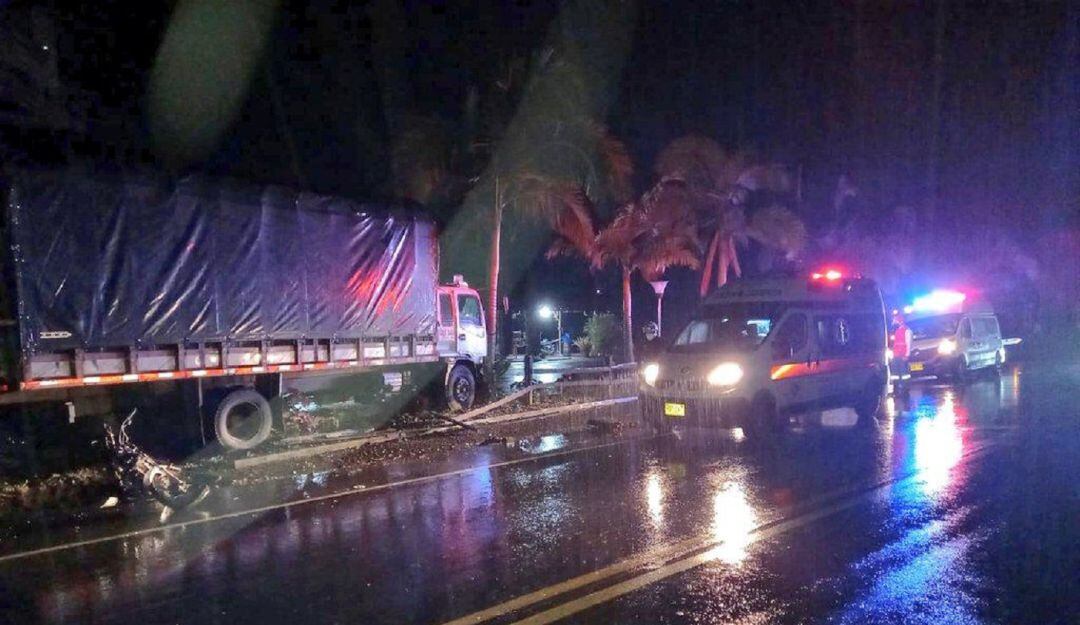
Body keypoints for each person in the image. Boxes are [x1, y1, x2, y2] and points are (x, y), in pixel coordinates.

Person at [891, 312, 912, 386]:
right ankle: (896, 386)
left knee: (904, 372)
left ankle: (905, 386)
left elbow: (908, 343)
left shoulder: (907, 331)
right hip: (896, 354)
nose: (894, 322)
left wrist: (907, 355)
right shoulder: (896, 331)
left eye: (896, 320)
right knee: (895, 372)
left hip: (902, 354)